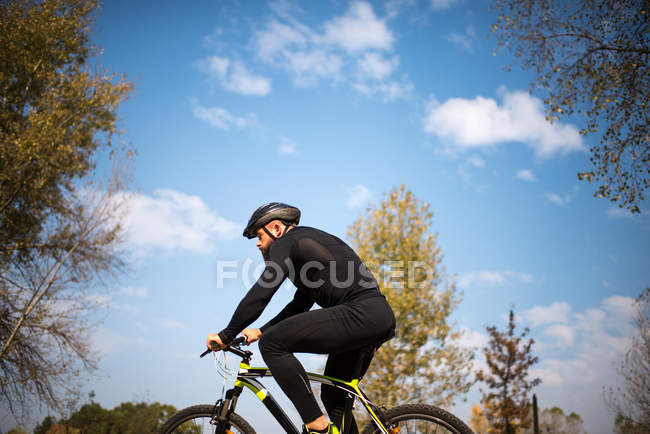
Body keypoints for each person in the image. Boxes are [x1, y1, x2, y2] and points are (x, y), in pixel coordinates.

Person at [206, 202, 395, 434]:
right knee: (333, 395)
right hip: (375, 317)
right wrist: (261, 330)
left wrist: (226, 334)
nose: (257, 243)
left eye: (258, 235)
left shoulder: (286, 242)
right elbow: (299, 305)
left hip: (360, 313)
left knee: (273, 344)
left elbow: (261, 292)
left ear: (276, 228)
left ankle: (316, 426)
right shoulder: (306, 248)